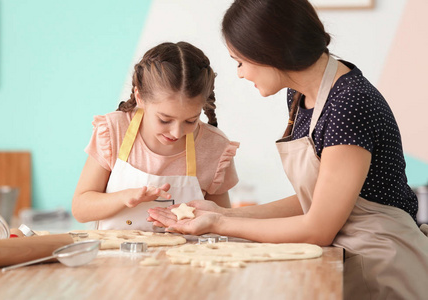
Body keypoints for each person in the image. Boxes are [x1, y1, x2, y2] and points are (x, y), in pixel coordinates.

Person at [147, 1, 428, 299]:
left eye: (239, 61)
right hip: (344, 256)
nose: (240, 74)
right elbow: (319, 200)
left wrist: (220, 222)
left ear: (268, 51)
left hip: (381, 268)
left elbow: (318, 227)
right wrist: (226, 214)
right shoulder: (301, 96)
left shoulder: (349, 103)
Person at [72, 41, 239, 232]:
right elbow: (80, 209)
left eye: (191, 121)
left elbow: (224, 222)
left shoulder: (215, 147)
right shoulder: (114, 130)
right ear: (140, 97)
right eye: (165, 120)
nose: (177, 133)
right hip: (116, 260)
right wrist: (124, 198)